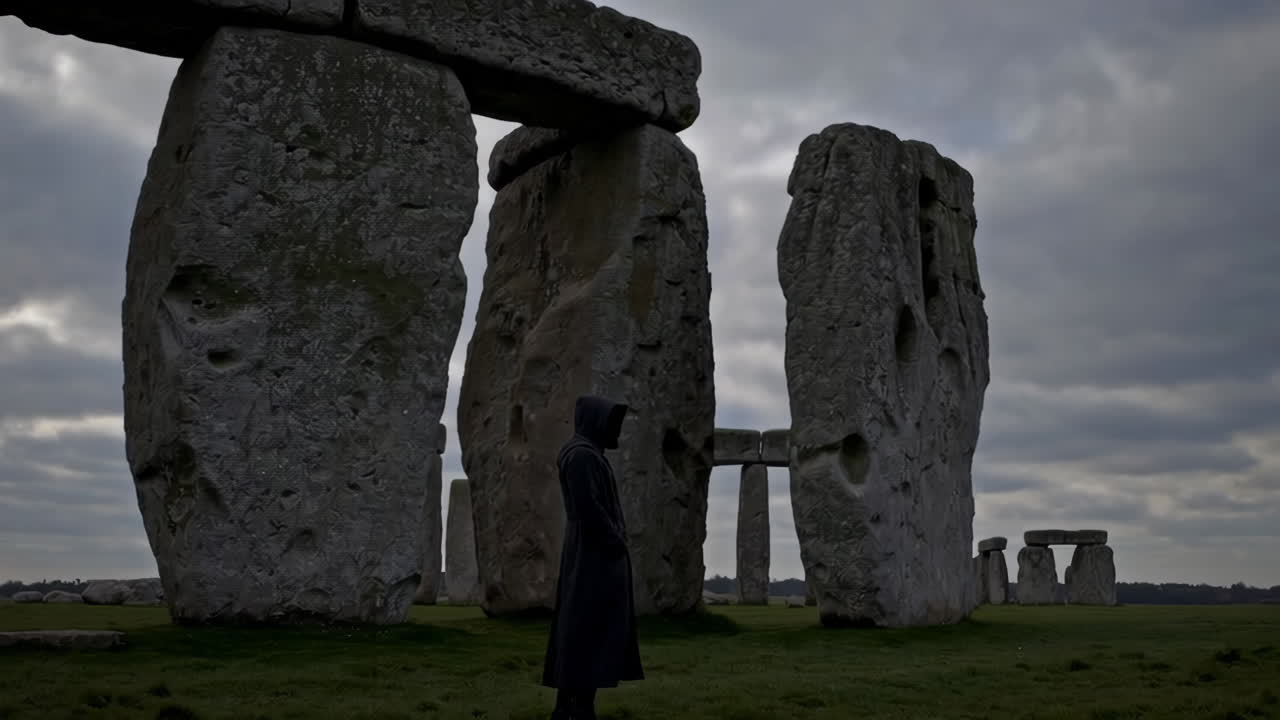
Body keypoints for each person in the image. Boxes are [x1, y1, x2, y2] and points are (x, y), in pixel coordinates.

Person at [542, 395, 644, 720]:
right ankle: (577, 707)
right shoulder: (582, 457)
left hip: (591, 554)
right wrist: (616, 540)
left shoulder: (586, 454)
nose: (615, 430)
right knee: (587, 629)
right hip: (593, 557)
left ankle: (571, 706)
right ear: (595, 420)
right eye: (612, 423)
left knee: (585, 629)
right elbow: (589, 509)